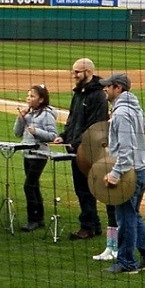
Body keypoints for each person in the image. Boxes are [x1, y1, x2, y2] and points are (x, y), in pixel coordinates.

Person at [99, 73, 145, 274]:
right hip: (140, 169)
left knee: (125, 218)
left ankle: (126, 263)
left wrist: (115, 174)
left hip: (130, 173)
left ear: (118, 88)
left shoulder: (121, 113)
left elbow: (126, 149)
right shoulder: (134, 108)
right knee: (132, 215)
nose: (105, 89)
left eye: (108, 86)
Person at [54, 58, 110, 243]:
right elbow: (73, 119)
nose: (74, 75)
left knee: (90, 189)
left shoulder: (97, 96)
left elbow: (95, 125)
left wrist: (77, 143)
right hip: (77, 148)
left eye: (77, 72)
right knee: (81, 189)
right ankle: (92, 224)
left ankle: (91, 227)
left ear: (88, 72)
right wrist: (65, 135)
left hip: (89, 151)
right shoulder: (79, 93)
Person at [13, 85, 59, 232]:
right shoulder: (28, 114)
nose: (28, 99)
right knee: (34, 186)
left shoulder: (47, 114)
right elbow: (17, 133)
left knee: (29, 186)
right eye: (28, 96)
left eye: (32, 96)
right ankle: (39, 218)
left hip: (40, 155)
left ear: (41, 99)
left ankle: (32, 219)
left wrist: (36, 131)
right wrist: (20, 118)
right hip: (27, 153)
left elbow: (53, 136)